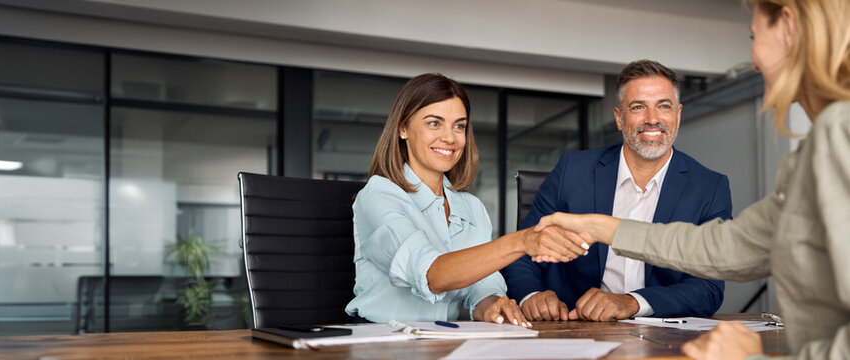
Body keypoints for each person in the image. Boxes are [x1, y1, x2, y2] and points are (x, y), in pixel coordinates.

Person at [532, 0, 850, 358]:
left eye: (753, 36)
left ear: (789, 27)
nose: (753, 58)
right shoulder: (818, 146)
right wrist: (602, 228)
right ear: (619, 117)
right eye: (639, 107)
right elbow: (731, 247)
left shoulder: (840, 134)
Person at [344, 73, 588, 326]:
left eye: (459, 126)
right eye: (434, 123)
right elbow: (431, 274)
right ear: (402, 128)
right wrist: (522, 241)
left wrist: (492, 305)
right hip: (382, 341)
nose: (450, 138)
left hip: (442, 340)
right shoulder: (379, 195)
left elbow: (482, 286)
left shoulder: (471, 207)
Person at [500, 60, 730, 322]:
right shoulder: (571, 171)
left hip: (660, 336)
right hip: (573, 330)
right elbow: (521, 251)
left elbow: (709, 286)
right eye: (638, 107)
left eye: (663, 106)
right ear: (620, 118)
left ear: (678, 114)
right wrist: (532, 295)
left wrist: (632, 302)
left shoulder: (709, 187)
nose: (652, 119)